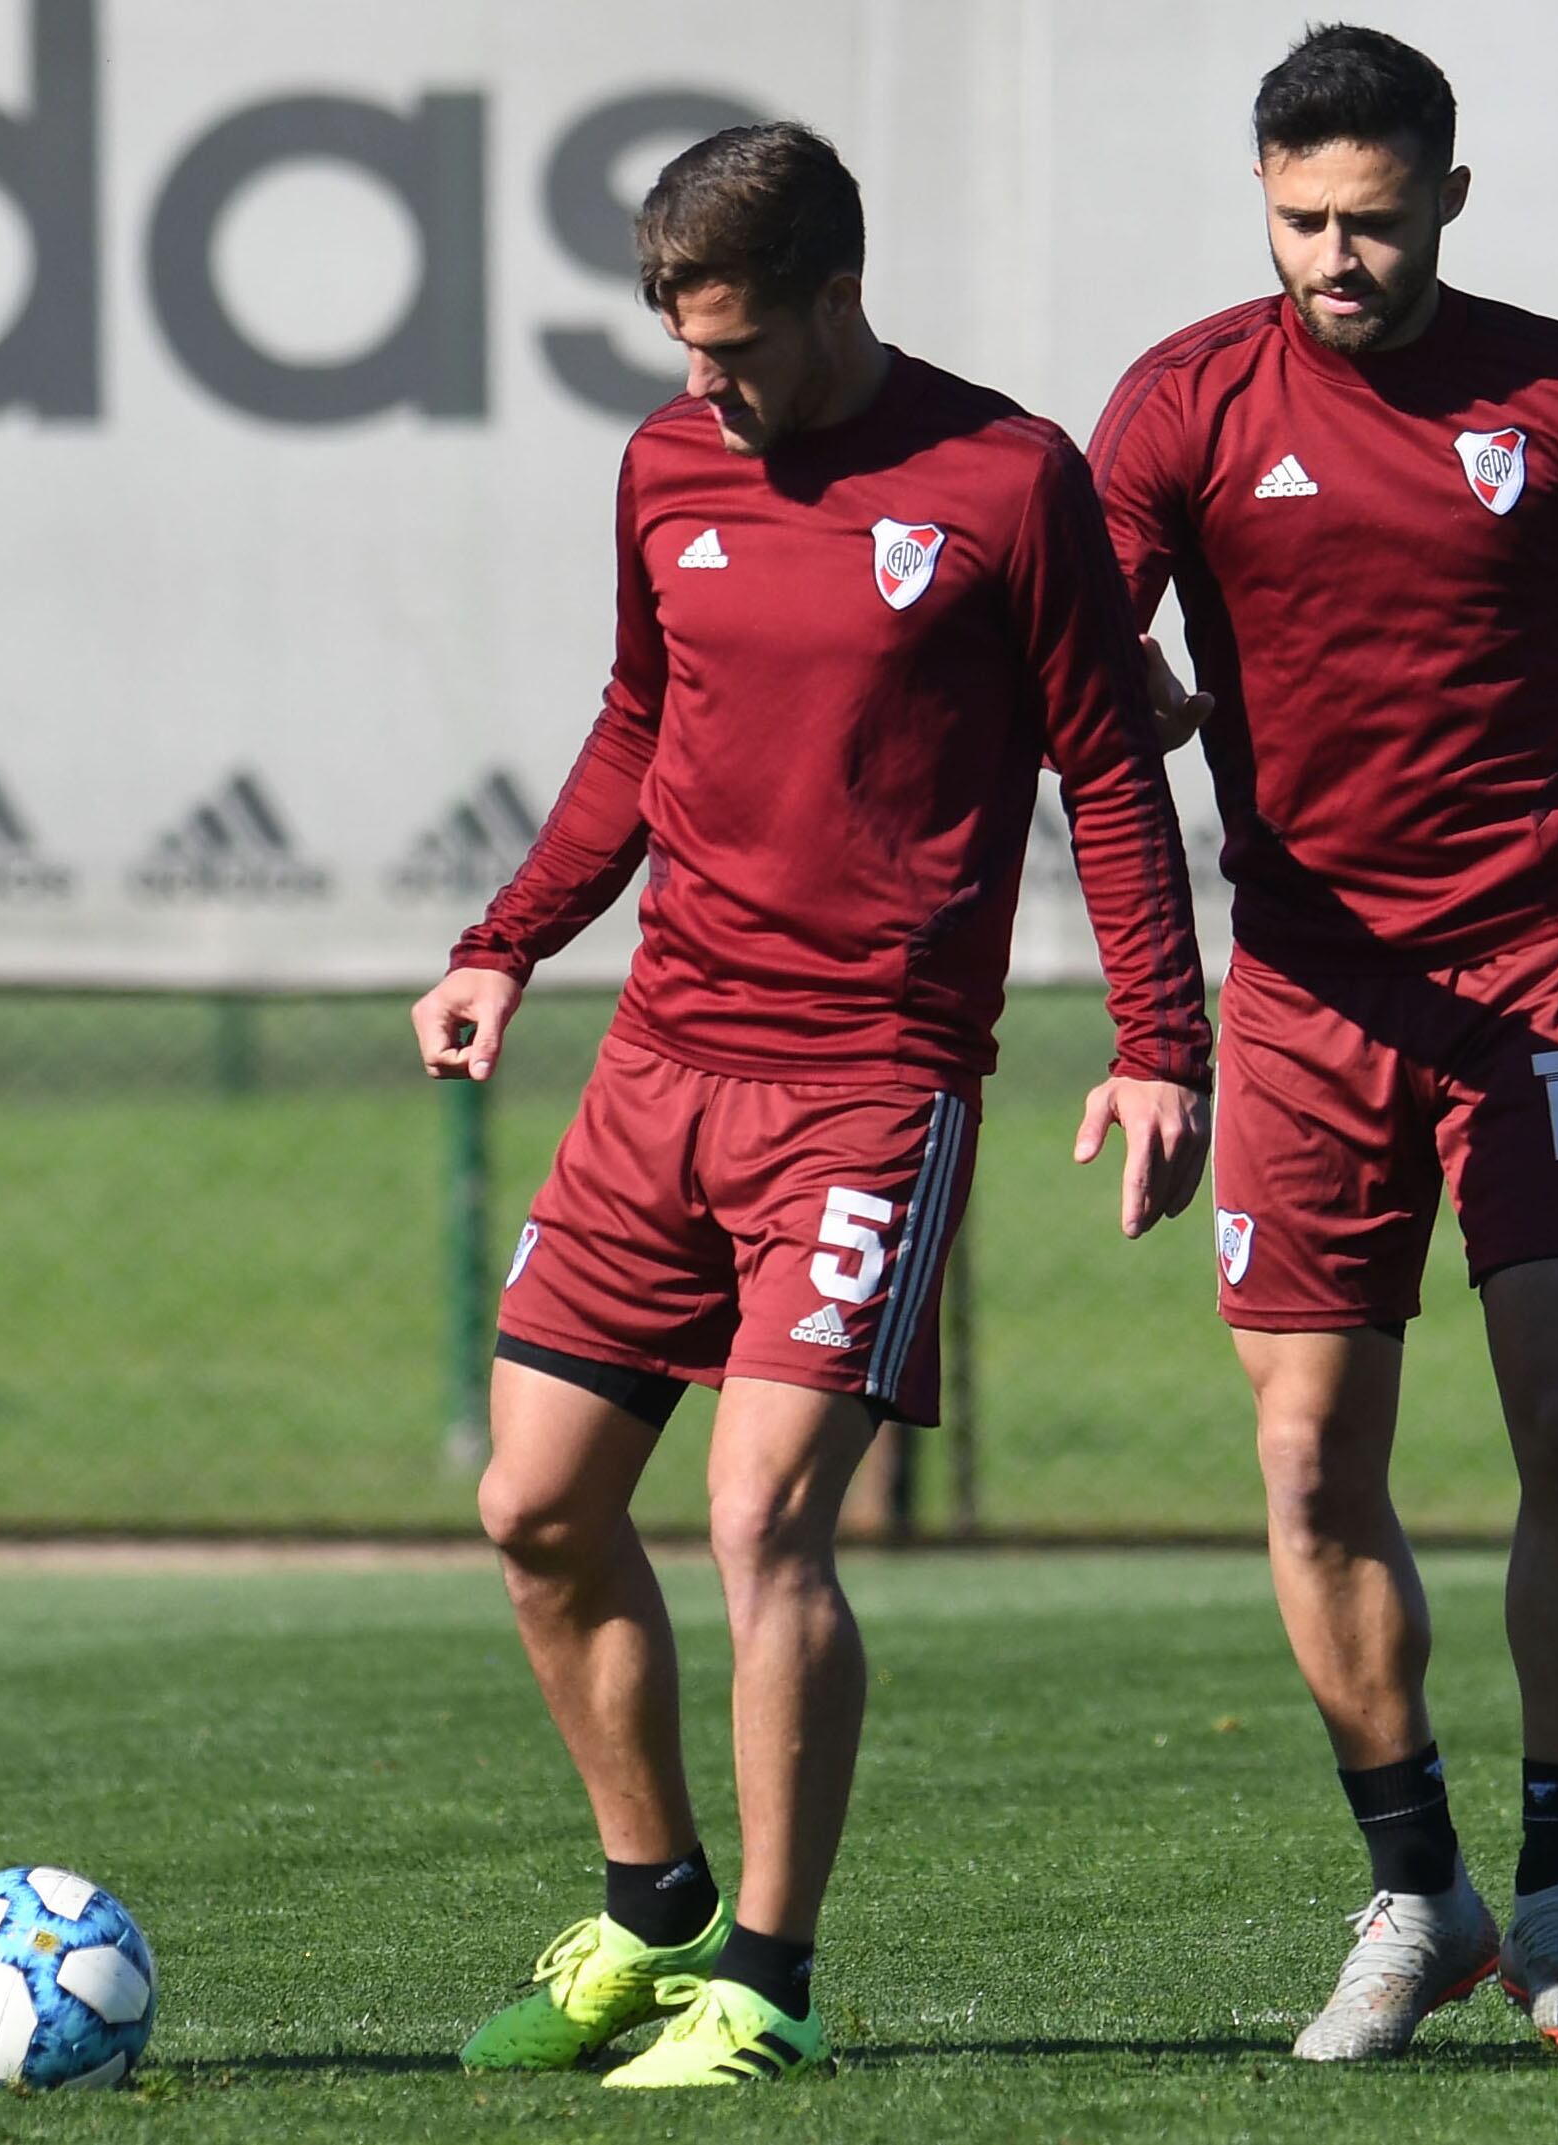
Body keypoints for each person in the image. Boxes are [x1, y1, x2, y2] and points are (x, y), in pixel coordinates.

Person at [412, 122, 1213, 2088]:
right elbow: (636, 720)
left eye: (735, 345)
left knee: (757, 1514)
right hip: (657, 1064)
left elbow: (1109, 770)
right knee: (531, 1504)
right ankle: (653, 1909)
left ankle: (765, 1979)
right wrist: (504, 942)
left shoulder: (1004, 477)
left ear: (838, 296)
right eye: (680, 345)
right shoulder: (664, 464)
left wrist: (1157, 1043)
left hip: (867, 1084)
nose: (704, 384)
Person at [1087, 23, 1558, 2059]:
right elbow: (1070, 657)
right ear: (1260, 201)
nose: (1333, 259)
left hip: (1536, 980)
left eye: (1370, 220)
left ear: (1447, 197)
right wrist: (1113, 690)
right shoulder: (1182, 402)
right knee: (1305, 1457)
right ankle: (1412, 1883)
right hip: (1302, 999)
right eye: (1299, 221)